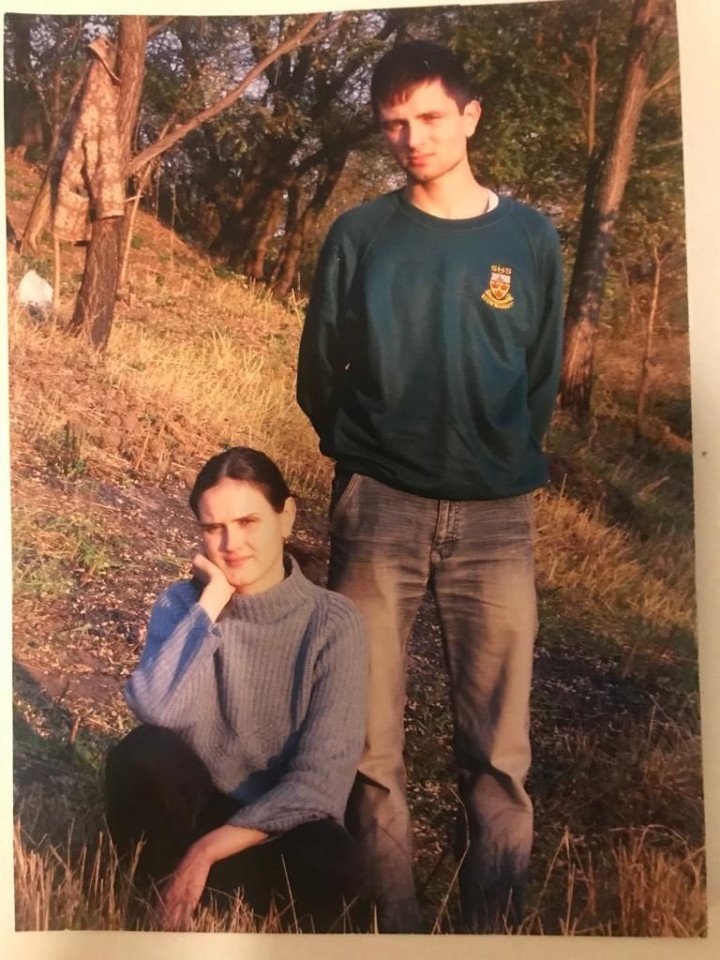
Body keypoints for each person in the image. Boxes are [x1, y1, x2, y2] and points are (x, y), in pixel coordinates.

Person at [296, 41, 563, 933]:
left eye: (430, 117)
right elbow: (319, 372)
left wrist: (493, 455)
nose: (413, 138)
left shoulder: (529, 238)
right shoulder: (360, 235)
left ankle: (495, 927)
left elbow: (539, 376)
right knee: (368, 742)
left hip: (497, 520)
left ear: (470, 115)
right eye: (394, 124)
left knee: (499, 751)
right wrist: (372, 454)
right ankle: (392, 925)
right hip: (379, 508)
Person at [104, 447, 368, 932]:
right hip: (188, 820)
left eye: (248, 522)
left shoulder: (333, 623)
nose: (231, 544)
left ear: (286, 517)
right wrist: (212, 602)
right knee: (142, 755)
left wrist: (206, 851)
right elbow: (154, 710)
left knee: (335, 859)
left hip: (269, 836)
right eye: (213, 528)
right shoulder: (184, 604)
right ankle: (156, 912)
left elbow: (319, 785)